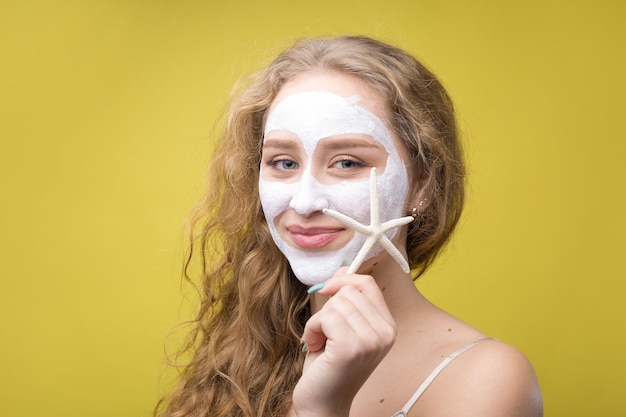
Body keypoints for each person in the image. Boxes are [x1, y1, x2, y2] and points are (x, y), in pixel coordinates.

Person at [157, 36, 543, 417]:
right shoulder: (243, 349)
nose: (305, 202)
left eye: (347, 162)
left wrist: (322, 410)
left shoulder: (484, 378)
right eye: (284, 163)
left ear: (422, 184)